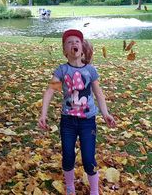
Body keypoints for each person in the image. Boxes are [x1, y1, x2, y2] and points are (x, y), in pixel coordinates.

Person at [38, 29, 116, 195]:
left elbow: (99, 94)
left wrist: (106, 113)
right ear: (65, 51)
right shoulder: (62, 71)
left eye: (76, 42)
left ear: (82, 48)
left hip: (88, 122)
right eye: (69, 42)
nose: (73, 44)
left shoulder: (90, 71)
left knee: (88, 159)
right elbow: (50, 92)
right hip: (68, 122)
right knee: (68, 156)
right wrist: (43, 114)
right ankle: (70, 188)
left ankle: (94, 191)